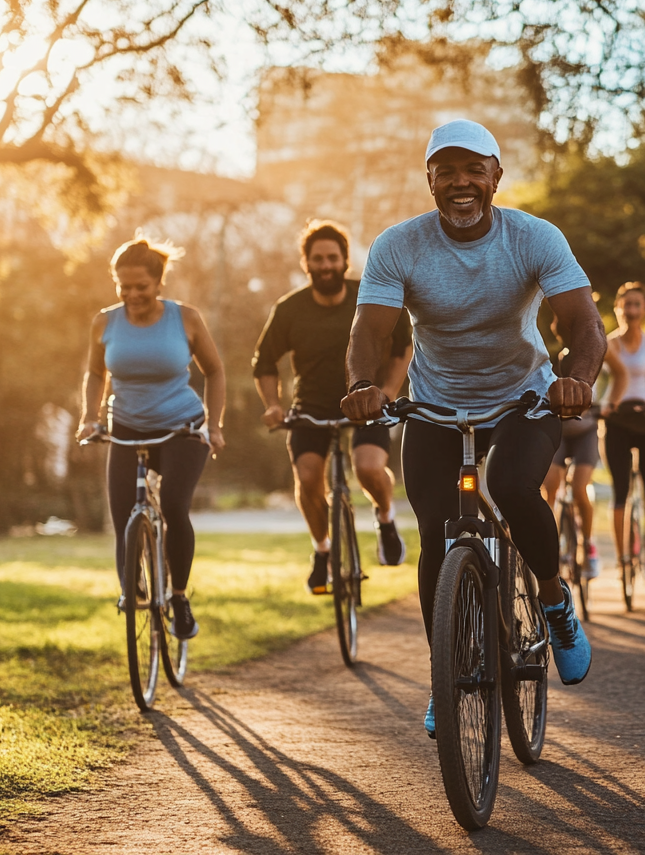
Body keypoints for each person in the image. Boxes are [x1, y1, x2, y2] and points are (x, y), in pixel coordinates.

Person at [340, 119, 606, 736]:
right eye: (446, 172)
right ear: (429, 180)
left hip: (524, 400)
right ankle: (446, 669)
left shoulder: (534, 237)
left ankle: (553, 602)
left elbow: (583, 324)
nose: (461, 183)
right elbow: (371, 330)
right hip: (435, 404)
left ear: (495, 177)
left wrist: (579, 381)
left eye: (473, 170)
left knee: (513, 488)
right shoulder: (398, 245)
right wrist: (361, 385)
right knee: (435, 529)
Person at [76, 235, 226, 639]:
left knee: (175, 506)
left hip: (181, 426)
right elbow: (95, 373)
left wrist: (214, 425)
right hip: (125, 426)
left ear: (159, 283)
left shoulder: (186, 318)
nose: (131, 295)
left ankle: (178, 597)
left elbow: (214, 370)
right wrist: (89, 417)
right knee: (124, 515)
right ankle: (133, 586)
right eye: (123, 287)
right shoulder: (105, 322)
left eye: (140, 286)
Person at [253, 220, 413, 593]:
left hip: (366, 402)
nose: (325, 265)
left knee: (369, 469)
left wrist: (388, 391)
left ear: (345, 261)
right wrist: (273, 406)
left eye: (332, 258)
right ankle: (323, 550)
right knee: (308, 478)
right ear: (306, 263)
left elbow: (403, 343)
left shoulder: (368, 298)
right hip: (310, 407)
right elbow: (264, 362)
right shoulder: (289, 309)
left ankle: (386, 519)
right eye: (317, 259)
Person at [601, 282, 645, 585]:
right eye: (626, 305)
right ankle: (621, 559)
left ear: (644, 310)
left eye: (637, 305)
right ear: (618, 308)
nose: (631, 310)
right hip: (616, 423)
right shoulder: (606, 344)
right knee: (619, 492)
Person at [542, 321, 601, 579]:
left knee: (579, 488)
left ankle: (587, 546)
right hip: (560, 431)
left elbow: (621, 375)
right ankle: (548, 548)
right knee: (550, 488)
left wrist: (610, 403)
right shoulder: (558, 359)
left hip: (585, 433)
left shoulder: (599, 352)